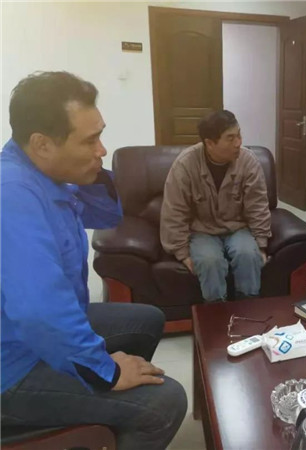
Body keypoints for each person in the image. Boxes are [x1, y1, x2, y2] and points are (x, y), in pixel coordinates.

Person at [1, 72, 187, 450]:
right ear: (42, 144)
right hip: (13, 367)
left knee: (146, 320)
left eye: (100, 135)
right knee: (165, 402)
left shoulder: (46, 175)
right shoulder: (12, 194)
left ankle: (105, 424)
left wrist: (90, 167)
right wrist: (108, 372)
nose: (102, 149)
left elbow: (105, 216)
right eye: (89, 141)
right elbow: (39, 311)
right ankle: (113, 404)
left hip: (32, 335)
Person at [161, 110, 271, 301]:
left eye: (239, 135)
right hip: (202, 230)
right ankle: (216, 313)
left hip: (238, 228)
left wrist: (261, 245)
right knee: (209, 261)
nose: (238, 143)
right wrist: (182, 254)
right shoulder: (185, 165)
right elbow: (174, 212)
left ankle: (250, 309)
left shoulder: (248, 161)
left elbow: (258, 205)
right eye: (230, 138)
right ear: (210, 143)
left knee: (248, 255)